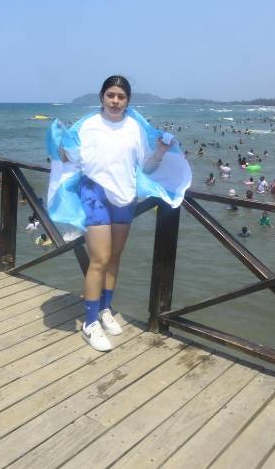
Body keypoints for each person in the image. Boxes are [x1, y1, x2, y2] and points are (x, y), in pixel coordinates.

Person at [45, 75, 190, 352]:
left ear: (128, 101)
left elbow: (145, 169)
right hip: (94, 193)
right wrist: (56, 143)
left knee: (114, 257)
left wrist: (159, 151)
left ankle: (104, 309)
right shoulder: (87, 126)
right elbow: (67, 158)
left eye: (121, 97)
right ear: (102, 97)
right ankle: (89, 323)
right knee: (99, 258)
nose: (115, 101)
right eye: (110, 95)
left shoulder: (135, 127)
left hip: (125, 197)